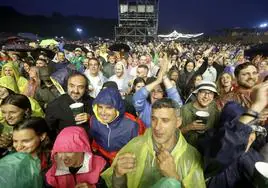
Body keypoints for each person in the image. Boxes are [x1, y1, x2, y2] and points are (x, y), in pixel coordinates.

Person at [101, 98, 206, 188]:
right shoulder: (135, 145)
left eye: (165, 120)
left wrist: (174, 179)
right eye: (154, 119)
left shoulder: (191, 157)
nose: (157, 127)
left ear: (178, 122)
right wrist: (118, 175)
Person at [202, 81, 268, 188]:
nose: (248, 132)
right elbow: (228, 143)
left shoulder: (252, 150)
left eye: (249, 128)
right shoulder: (211, 140)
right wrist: (256, 106)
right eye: (244, 125)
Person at [90, 87, 145, 163]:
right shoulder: (94, 120)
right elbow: (95, 139)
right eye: (100, 107)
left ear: (118, 108)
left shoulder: (132, 126)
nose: (103, 112)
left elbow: (140, 150)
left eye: (109, 108)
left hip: (124, 162)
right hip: (102, 160)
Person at [133, 61, 183, 127]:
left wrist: (164, 76)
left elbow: (177, 104)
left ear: (163, 94)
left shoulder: (168, 106)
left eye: (159, 91)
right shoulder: (144, 107)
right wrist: (157, 81)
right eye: (152, 91)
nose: (155, 94)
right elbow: (137, 98)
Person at [45, 72, 94, 137]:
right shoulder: (55, 105)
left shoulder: (93, 102)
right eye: (72, 86)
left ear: (86, 89)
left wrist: (91, 118)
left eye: (80, 87)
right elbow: (50, 129)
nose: (76, 91)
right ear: (66, 86)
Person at [180, 81, 220, 148]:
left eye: (210, 93)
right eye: (203, 92)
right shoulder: (184, 110)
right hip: (187, 150)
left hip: (206, 152)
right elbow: (173, 134)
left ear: (214, 96)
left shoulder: (215, 110)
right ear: (196, 93)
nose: (206, 96)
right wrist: (188, 127)